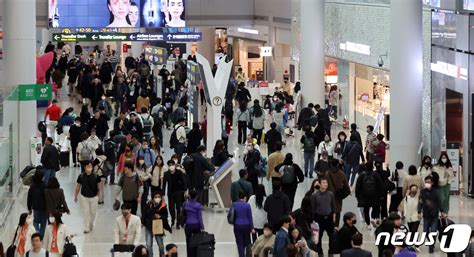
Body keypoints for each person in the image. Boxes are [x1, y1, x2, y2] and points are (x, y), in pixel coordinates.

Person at [74, 160, 101, 233]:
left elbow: (99, 187)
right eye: (88, 166)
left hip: (94, 197)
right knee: (86, 212)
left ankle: (91, 224)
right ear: (85, 167)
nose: (89, 168)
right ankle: (86, 227)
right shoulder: (81, 176)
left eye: (91, 166)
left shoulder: (96, 176)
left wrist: (98, 196)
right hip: (84, 197)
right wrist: (76, 196)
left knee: (93, 212)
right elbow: (78, 186)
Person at [310, 178, 336, 255]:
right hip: (318, 218)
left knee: (331, 236)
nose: (325, 184)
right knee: (318, 237)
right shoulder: (314, 195)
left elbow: (333, 206)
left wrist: (334, 217)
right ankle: (320, 252)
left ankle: (331, 252)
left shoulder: (330, 194)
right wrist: (313, 220)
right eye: (323, 183)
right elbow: (312, 208)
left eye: (326, 183)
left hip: (329, 218)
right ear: (320, 184)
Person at [418, 176, 442, 253]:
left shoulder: (436, 192)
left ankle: (431, 245)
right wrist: (419, 211)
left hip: (434, 215)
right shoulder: (422, 192)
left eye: (428, 182)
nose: (427, 183)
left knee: (434, 230)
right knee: (425, 231)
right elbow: (420, 202)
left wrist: (441, 211)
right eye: (426, 182)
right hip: (426, 214)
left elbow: (439, 202)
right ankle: (431, 241)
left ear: (432, 183)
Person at [143, 191, 172, 257]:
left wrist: (160, 216)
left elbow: (166, 216)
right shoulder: (148, 205)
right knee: (148, 244)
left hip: (158, 226)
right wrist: (143, 222)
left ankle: (161, 255)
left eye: (159, 197)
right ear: (153, 198)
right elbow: (144, 214)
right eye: (155, 197)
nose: (157, 198)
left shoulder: (163, 206)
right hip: (148, 225)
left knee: (160, 244)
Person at [355, 164, 383, 230]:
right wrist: (381, 194)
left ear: (366, 167)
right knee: (375, 207)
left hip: (364, 196)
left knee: (366, 209)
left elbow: (358, 186)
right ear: (372, 167)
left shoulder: (362, 175)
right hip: (375, 195)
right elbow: (380, 185)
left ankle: (368, 224)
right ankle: (373, 218)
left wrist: (357, 195)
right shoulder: (375, 175)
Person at [324, 159, 350, 227]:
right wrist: (342, 196)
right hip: (338, 197)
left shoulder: (327, 174)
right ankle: (336, 226)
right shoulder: (341, 173)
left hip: (328, 197)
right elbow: (347, 187)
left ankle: (329, 225)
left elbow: (324, 186)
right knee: (337, 212)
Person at [163, 160, 188, 229]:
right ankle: (173, 219)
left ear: (174, 165)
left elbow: (184, 181)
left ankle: (178, 222)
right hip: (170, 193)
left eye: (172, 165)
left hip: (179, 192)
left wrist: (185, 190)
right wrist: (163, 195)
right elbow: (164, 184)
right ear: (168, 166)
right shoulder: (166, 174)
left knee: (178, 208)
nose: (171, 166)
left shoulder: (179, 172)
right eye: (169, 165)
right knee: (171, 208)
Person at [231, 192, 254, 257]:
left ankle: (241, 255)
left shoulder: (234, 204)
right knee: (246, 242)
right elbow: (250, 217)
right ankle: (247, 254)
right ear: (245, 197)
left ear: (238, 197)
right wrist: (252, 227)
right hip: (247, 226)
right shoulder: (247, 205)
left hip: (237, 225)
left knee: (239, 243)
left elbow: (230, 215)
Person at [183, 190, 204, 257]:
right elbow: (200, 217)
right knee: (196, 241)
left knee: (188, 241)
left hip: (188, 225)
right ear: (196, 196)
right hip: (196, 225)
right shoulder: (198, 205)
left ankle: (189, 255)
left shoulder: (185, 204)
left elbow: (183, 214)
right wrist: (202, 227)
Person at [27, 172, 47, 237]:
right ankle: (41, 235)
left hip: (35, 206)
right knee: (43, 222)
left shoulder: (32, 186)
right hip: (44, 207)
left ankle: (37, 232)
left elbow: (29, 198)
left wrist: (29, 208)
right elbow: (47, 197)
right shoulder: (44, 185)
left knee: (36, 221)